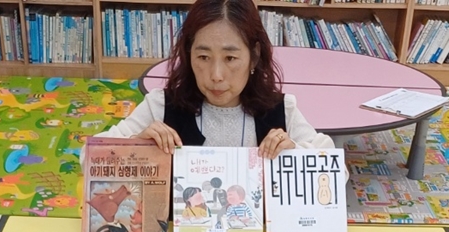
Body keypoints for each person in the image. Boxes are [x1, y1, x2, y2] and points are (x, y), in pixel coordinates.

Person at [99, 0, 334, 158]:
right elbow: (91, 155)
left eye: (230, 58)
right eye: (203, 57)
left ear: (253, 57)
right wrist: (136, 144)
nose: (216, 75)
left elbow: (335, 167)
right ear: (188, 54)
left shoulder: (282, 110)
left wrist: (296, 152)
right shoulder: (160, 105)